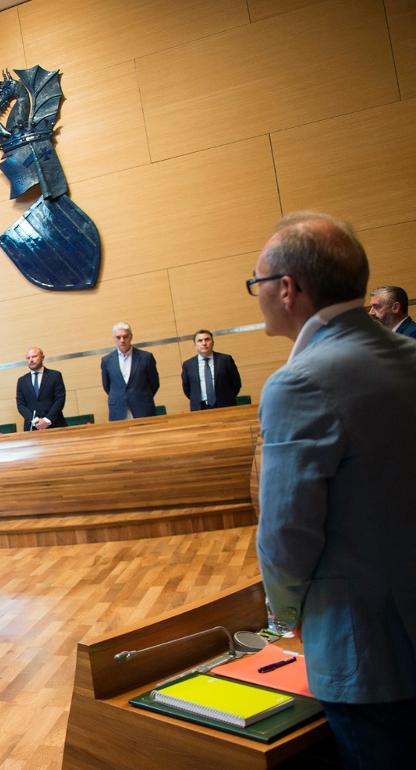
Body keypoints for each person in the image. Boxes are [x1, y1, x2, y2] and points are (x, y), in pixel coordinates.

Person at [252, 212, 416, 768]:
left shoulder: (300, 381)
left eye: (257, 284)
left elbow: (286, 535)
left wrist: (282, 617)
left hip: (367, 653)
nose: (258, 296)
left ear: (287, 290)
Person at [100, 322, 160, 420]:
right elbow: (107, 386)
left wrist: (139, 396)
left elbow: (154, 384)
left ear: (131, 337)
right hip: (118, 410)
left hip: (143, 408)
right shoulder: (107, 360)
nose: (122, 340)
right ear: (114, 339)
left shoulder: (146, 357)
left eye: (125, 336)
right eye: (118, 337)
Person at [180, 330, 242, 411]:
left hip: (225, 406)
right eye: (200, 341)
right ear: (195, 345)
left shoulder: (225, 360)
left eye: (207, 339)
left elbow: (236, 384)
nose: (204, 343)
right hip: (200, 408)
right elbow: (187, 389)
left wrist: (227, 398)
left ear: (213, 342)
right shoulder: (188, 365)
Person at [15, 347, 67, 430]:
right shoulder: (22, 381)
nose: (31, 360)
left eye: (34, 356)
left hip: (55, 424)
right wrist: (34, 421)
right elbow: (20, 405)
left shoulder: (55, 375)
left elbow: (60, 399)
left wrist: (47, 420)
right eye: (28, 358)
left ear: (42, 357)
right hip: (32, 427)